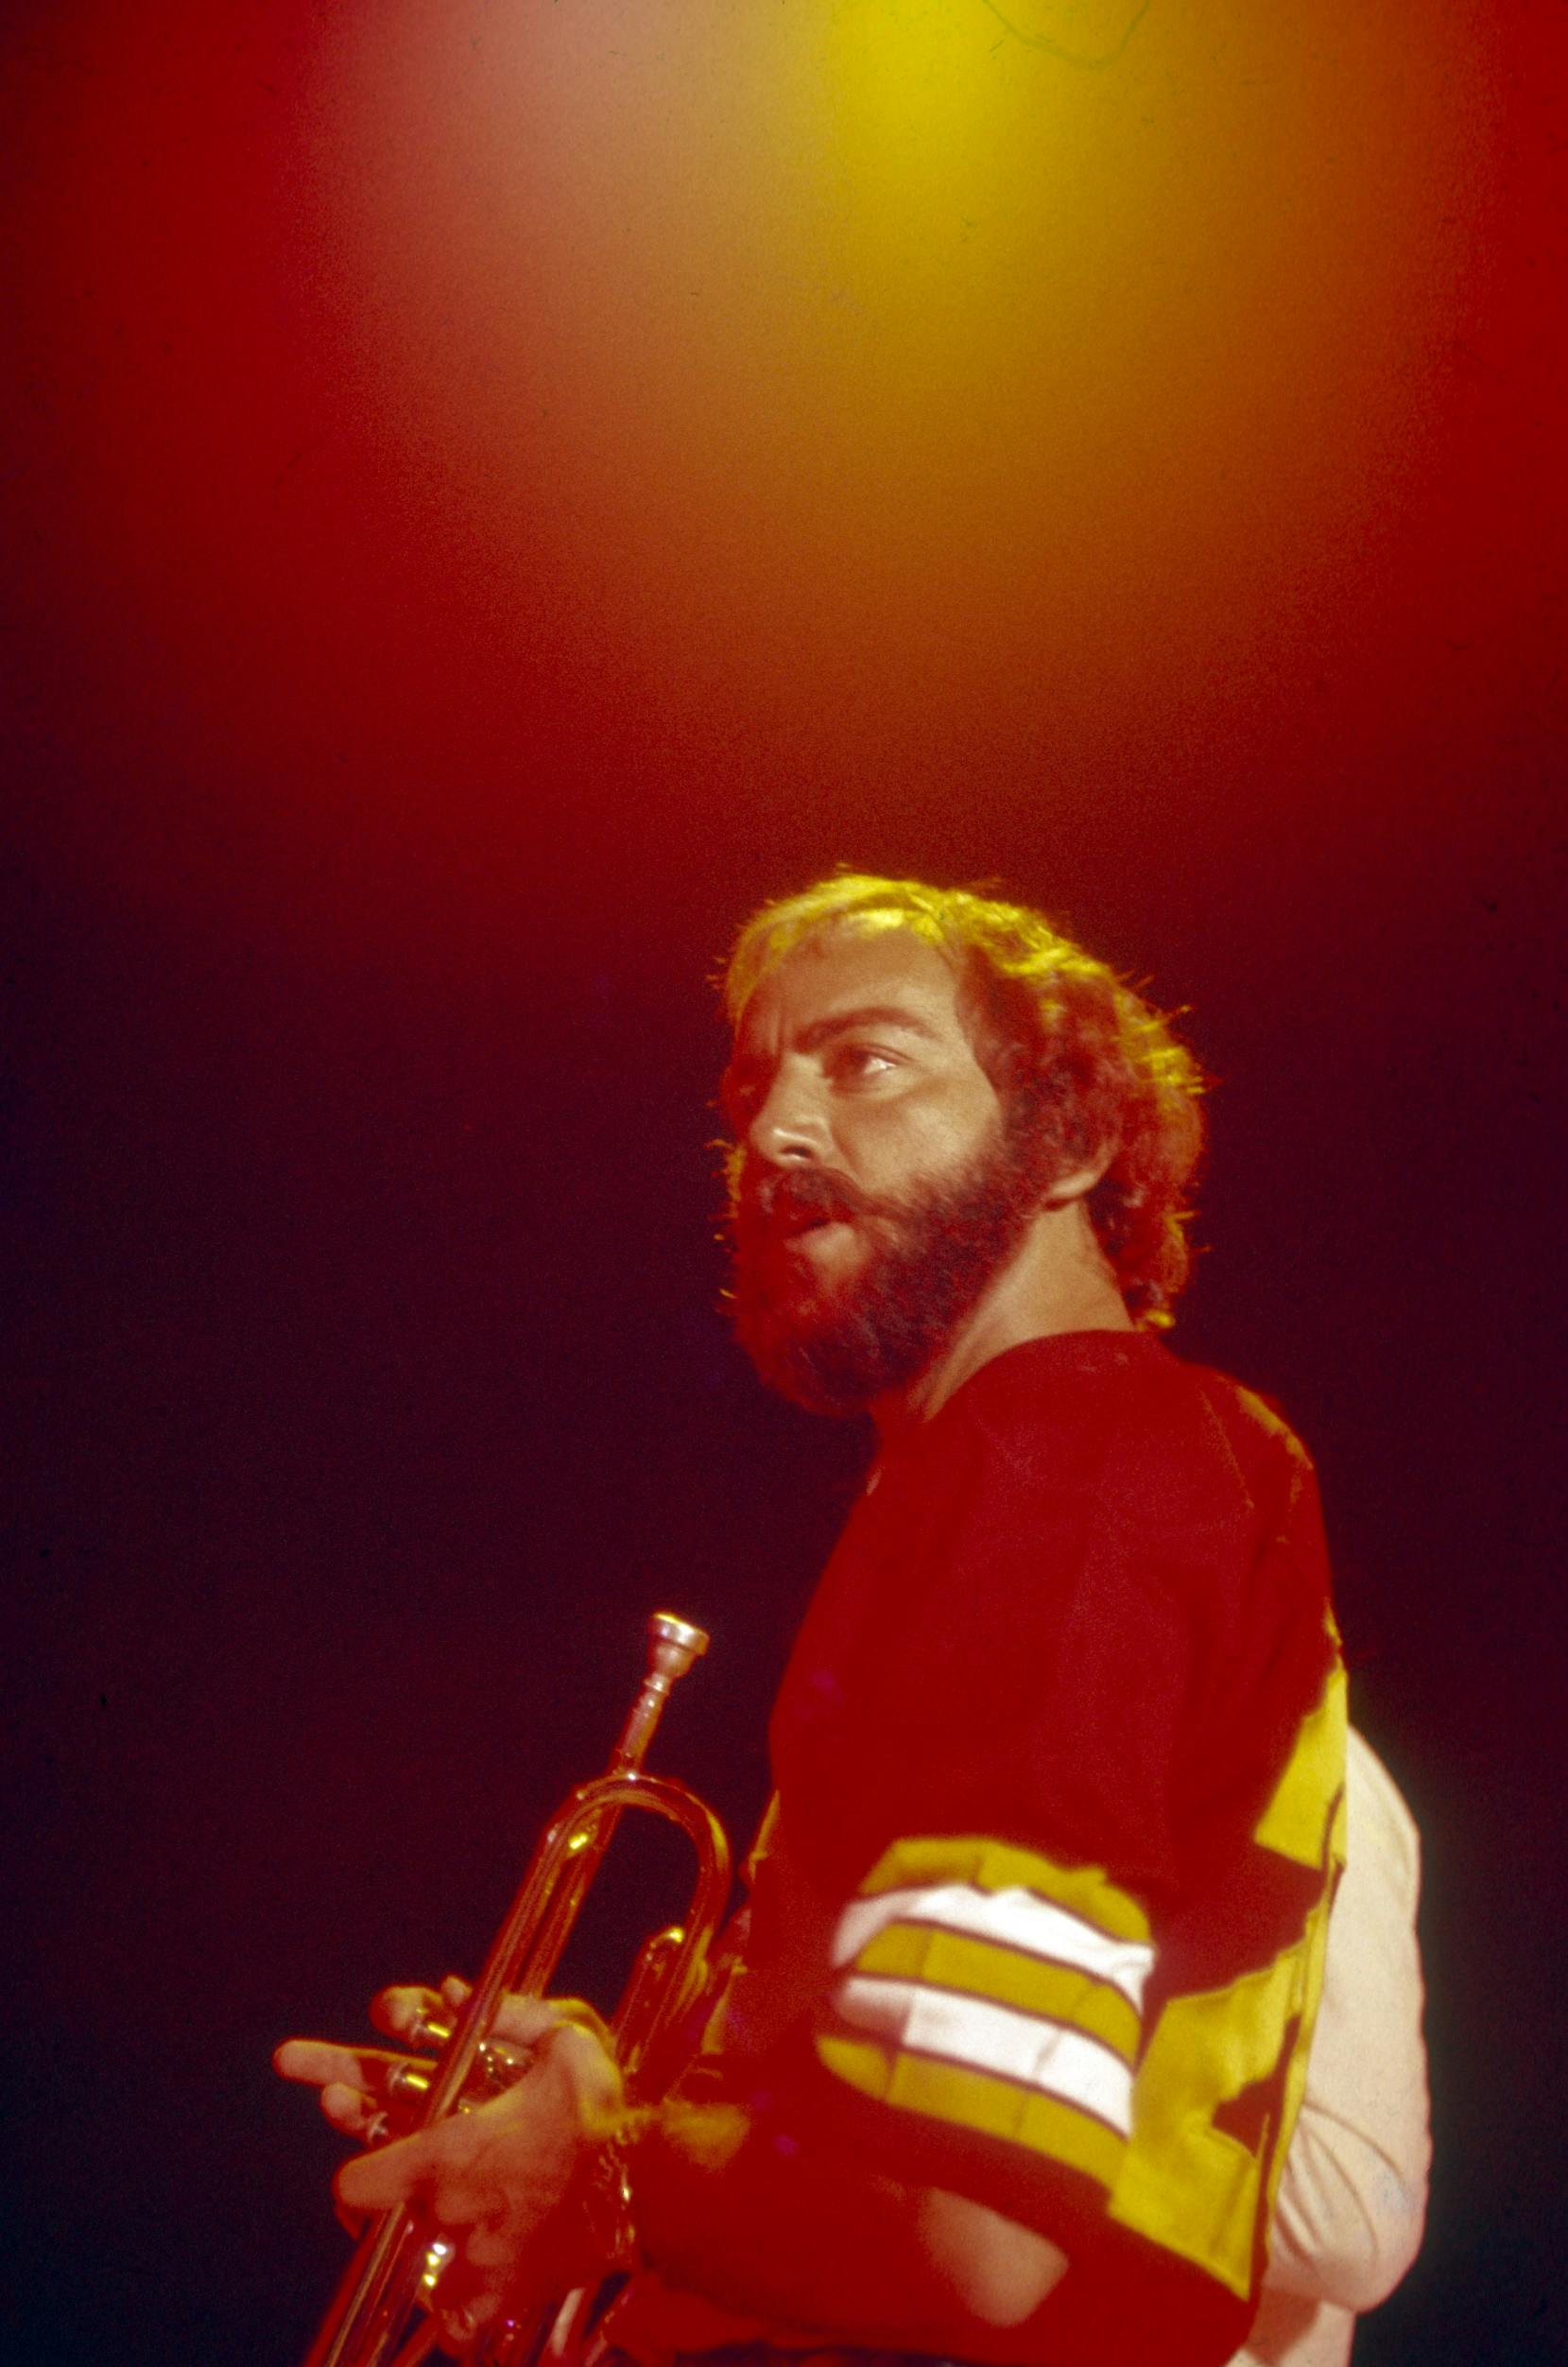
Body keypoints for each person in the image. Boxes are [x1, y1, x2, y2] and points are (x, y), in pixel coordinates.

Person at [279, 874, 1420, 2365]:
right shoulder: (1011, 1482)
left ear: (1069, 1140)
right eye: (752, 1088)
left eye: (865, 1061)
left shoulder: (1076, 1447)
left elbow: (973, 2225)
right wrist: (610, 2092)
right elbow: (895, 2127)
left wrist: (602, 2173)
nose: (772, 1135)